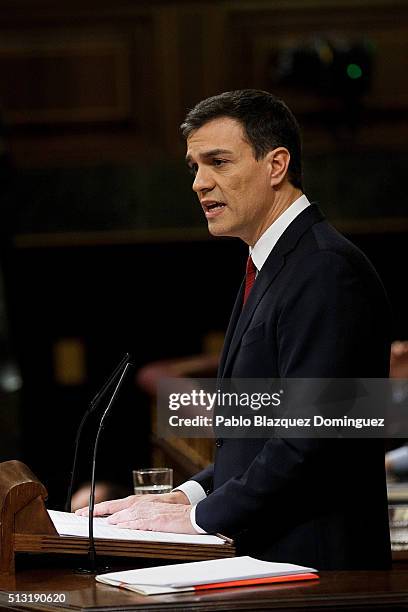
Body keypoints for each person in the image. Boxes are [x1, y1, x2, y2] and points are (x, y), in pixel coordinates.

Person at [77, 90, 391, 569]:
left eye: (218, 162)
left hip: (317, 568)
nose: (200, 183)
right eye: (194, 167)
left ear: (276, 164)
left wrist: (204, 516)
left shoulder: (325, 269)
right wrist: (188, 495)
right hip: (279, 559)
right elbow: (263, 433)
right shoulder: (274, 264)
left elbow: (313, 437)